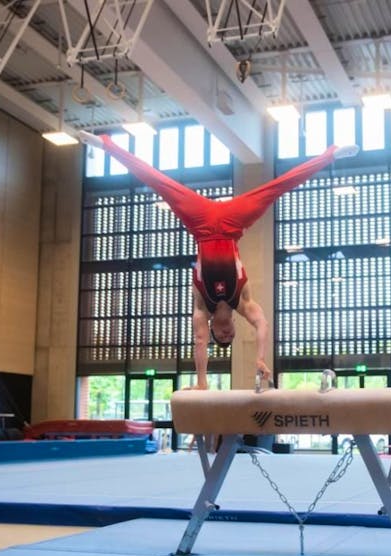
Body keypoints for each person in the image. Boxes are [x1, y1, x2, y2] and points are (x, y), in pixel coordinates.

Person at [79, 131, 358, 389]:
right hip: (232, 225)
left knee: (158, 181)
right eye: (230, 337)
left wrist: (202, 381)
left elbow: (200, 342)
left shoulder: (202, 307)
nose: (224, 334)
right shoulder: (243, 302)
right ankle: (329, 155)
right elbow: (262, 324)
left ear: (213, 328)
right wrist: (260, 358)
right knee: (276, 189)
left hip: (200, 225)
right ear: (235, 328)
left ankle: (106, 145)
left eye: (220, 337)